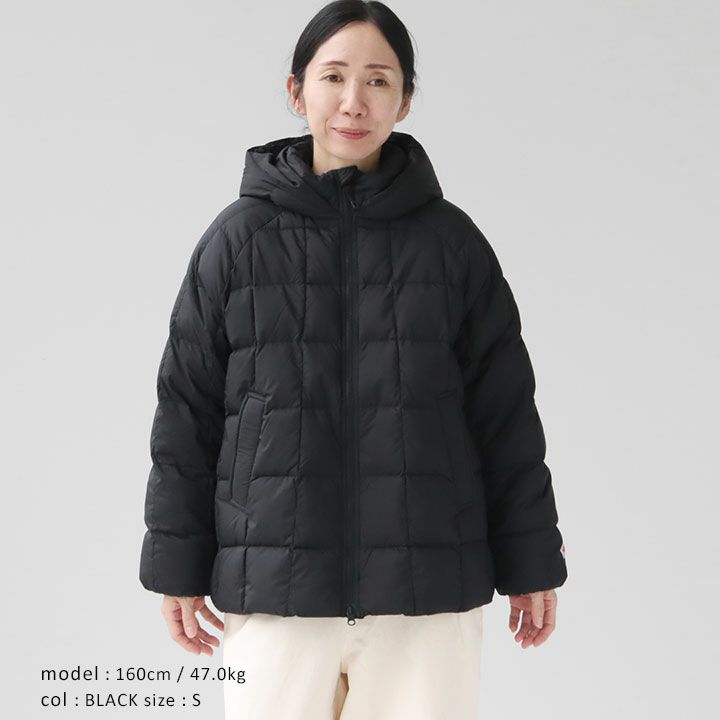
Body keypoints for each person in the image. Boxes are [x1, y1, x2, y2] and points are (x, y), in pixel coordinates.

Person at [139, 1, 568, 718]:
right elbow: (187, 411)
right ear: (296, 90)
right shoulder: (237, 242)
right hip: (273, 591)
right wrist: (176, 567)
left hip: (427, 594)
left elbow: (505, 414)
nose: (353, 101)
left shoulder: (452, 244)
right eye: (333, 76)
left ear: (405, 99)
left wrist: (529, 560)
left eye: (377, 80)